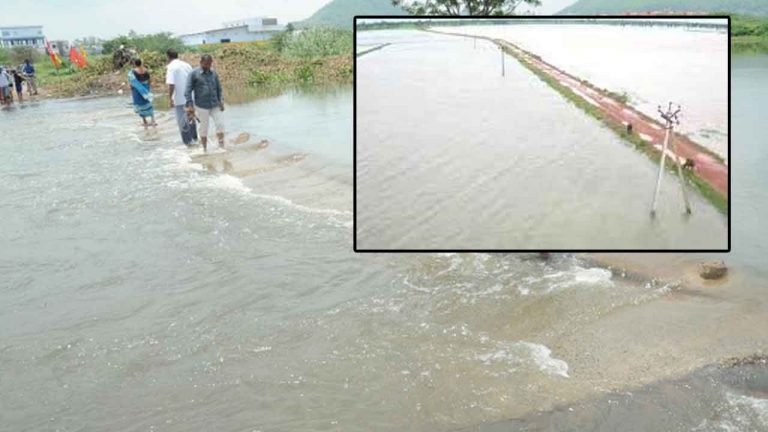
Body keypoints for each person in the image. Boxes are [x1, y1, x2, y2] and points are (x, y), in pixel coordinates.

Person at [185, 54, 225, 152]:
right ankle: (204, 149)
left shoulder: (213, 73)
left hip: (214, 104)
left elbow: (219, 88)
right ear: (201, 63)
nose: (207, 66)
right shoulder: (194, 74)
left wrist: (221, 101)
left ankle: (222, 147)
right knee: (204, 128)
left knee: (220, 124)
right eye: (205, 64)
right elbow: (188, 90)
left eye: (209, 64)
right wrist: (190, 105)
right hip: (201, 106)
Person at [165, 49, 197, 146]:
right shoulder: (186, 65)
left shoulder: (171, 67)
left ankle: (188, 145)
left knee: (182, 123)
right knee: (191, 119)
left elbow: (171, 84)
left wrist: (170, 98)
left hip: (179, 99)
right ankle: (195, 140)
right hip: (190, 97)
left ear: (168, 57)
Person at [127, 58, 156, 129]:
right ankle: (153, 120)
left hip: (137, 90)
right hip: (146, 89)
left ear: (134, 64)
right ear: (141, 63)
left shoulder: (132, 72)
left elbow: (131, 83)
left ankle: (145, 121)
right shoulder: (146, 70)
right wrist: (147, 89)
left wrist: (132, 89)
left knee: (140, 105)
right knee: (148, 104)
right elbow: (149, 80)